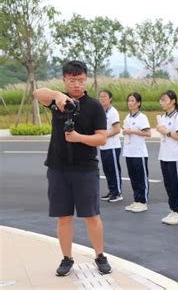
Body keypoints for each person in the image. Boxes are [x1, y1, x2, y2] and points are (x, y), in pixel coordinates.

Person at [32, 60, 111, 276]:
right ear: (65, 80)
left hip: (85, 169)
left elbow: (102, 139)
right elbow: (37, 93)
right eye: (72, 80)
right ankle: (67, 258)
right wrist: (58, 96)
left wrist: (78, 138)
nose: (77, 84)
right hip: (58, 168)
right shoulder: (57, 102)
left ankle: (100, 255)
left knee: (92, 215)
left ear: (86, 80)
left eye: (80, 80)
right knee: (63, 217)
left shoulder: (94, 106)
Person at [157, 90, 178, 225]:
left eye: (164, 100)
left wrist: (167, 132)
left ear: (173, 101)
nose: (162, 102)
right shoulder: (164, 117)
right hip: (164, 154)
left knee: (176, 184)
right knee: (168, 184)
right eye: (161, 100)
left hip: (175, 156)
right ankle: (173, 210)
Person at [122, 92, 151, 213]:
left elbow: (148, 133)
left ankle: (143, 202)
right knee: (133, 177)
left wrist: (133, 132)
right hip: (129, 151)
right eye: (129, 100)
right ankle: (136, 200)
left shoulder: (142, 117)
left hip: (139, 153)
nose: (130, 103)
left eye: (133, 101)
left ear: (138, 103)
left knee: (141, 178)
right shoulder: (128, 117)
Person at [98, 89, 123, 203]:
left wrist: (104, 136)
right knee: (107, 170)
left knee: (114, 170)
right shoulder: (101, 111)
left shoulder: (113, 112)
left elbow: (117, 129)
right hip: (104, 146)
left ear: (110, 99)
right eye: (101, 97)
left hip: (112, 146)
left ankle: (117, 193)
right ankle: (111, 191)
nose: (102, 99)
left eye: (105, 97)